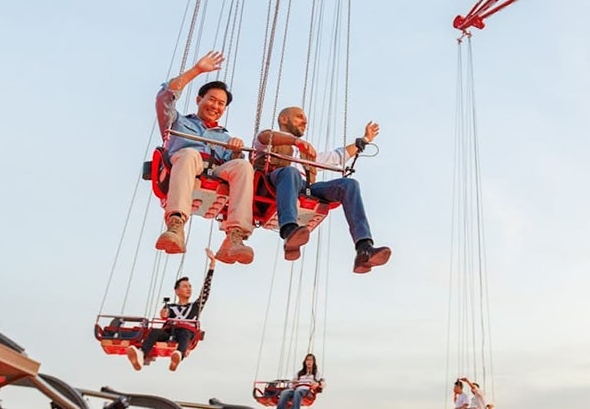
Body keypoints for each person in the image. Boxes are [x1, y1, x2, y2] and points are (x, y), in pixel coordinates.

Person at [254, 107, 391, 274]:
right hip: (276, 183)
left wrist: (365, 140)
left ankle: (364, 248)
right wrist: (295, 142)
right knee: (291, 172)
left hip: (306, 188)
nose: (305, 122)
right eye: (299, 117)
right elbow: (263, 137)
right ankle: (289, 230)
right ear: (284, 119)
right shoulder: (269, 141)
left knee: (350, 184)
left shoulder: (308, 154)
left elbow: (337, 156)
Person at [155, 50, 255, 264]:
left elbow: (232, 166)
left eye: (221, 104)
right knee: (190, 154)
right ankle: (176, 224)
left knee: (244, 167)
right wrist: (197, 70)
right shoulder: (178, 123)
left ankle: (234, 237)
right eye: (212, 100)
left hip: (214, 172)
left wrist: (236, 151)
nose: (215, 106)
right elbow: (164, 97)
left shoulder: (223, 136)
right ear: (199, 99)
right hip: (185, 166)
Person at [126, 248, 216, 372]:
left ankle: (178, 356)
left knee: (185, 334)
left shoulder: (195, 306)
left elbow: (206, 290)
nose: (188, 289)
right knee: (155, 331)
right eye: (185, 286)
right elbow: (164, 314)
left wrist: (212, 265)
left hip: (185, 333)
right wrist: (164, 314)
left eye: (190, 286)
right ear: (177, 291)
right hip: (170, 332)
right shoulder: (171, 306)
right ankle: (141, 355)